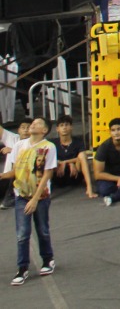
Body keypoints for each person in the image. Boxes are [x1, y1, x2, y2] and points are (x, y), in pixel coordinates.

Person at [7, 117, 55, 286]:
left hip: (40, 196)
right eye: (32, 123)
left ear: (45, 130)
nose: (33, 125)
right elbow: (14, 171)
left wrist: (35, 199)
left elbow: (47, 174)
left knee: (42, 229)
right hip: (21, 194)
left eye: (38, 123)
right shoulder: (19, 146)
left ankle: (47, 259)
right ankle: (22, 268)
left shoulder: (48, 147)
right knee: (22, 233)